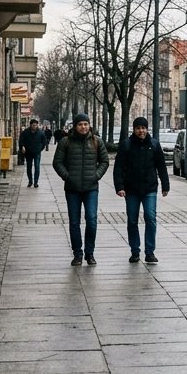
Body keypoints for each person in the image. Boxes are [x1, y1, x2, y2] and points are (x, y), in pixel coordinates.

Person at [53, 113, 109, 266]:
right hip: (72, 188)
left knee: (91, 220)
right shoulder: (66, 141)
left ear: (89, 125)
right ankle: (77, 253)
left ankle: (90, 253)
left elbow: (104, 161)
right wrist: (67, 176)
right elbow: (57, 163)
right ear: (75, 126)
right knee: (74, 222)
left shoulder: (96, 141)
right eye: (80, 124)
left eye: (86, 124)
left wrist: (96, 175)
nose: (83, 127)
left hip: (91, 188)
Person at [113, 117, 170, 264]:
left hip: (149, 188)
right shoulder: (126, 145)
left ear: (147, 129)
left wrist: (165, 185)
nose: (141, 131)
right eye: (138, 128)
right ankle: (135, 251)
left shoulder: (154, 144)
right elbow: (118, 167)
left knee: (150, 218)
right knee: (132, 221)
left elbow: (161, 167)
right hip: (131, 189)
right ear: (134, 129)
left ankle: (150, 252)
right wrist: (119, 186)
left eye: (144, 128)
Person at [17, 119, 48, 188]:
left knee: (37, 167)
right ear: (30, 125)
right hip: (28, 152)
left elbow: (44, 142)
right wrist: (22, 147)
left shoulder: (40, 133)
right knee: (29, 167)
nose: (34, 127)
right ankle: (30, 181)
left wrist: (40, 149)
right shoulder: (25, 132)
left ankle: (36, 182)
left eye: (36, 125)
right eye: (33, 125)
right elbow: (21, 140)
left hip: (37, 152)